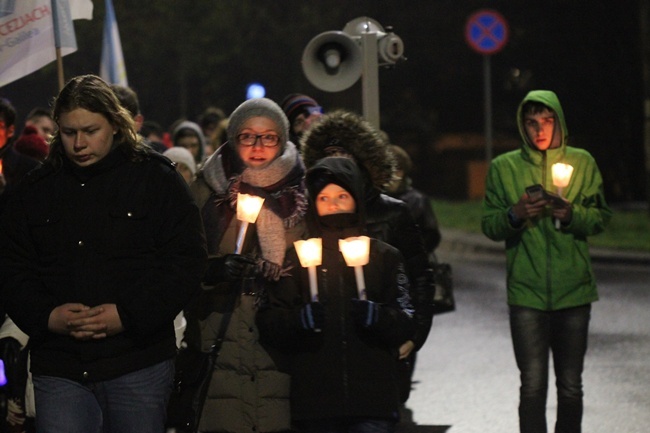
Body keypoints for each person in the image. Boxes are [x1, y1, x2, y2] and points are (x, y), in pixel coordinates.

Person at [0, 74, 208, 433]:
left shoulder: (156, 180)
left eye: (90, 130)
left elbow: (185, 262)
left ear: (115, 124)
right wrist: (48, 316)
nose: (79, 143)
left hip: (136, 362)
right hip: (59, 363)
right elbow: (12, 268)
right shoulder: (35, 190)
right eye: (68, 132)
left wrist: (127, 315)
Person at [481, 90, 612, 433]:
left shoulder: (582, 162)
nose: (540, 129)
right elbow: (490, 225)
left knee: (570, 387)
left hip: (574, 292)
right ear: (522, 126)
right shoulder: (503, 167)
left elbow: (600, 217)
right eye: (531, 122)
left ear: (559, 123)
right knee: (533, 387)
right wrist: (516, 213)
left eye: (547, 121)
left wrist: (571, 214)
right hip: (527, 294)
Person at [257, 156, 415, 433]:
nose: (333, 205)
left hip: (373, 401)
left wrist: (379, 317)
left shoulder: (385, 257)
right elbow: (269, 320)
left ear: (357, 198)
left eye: (342, 195)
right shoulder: (297, 258)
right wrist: (298, 320)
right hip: (316, 404)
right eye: (324, 198)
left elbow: (405, 319)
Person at [183, 97, 307, 433]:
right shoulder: (205, 191)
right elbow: (180, 260)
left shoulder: (303, 194)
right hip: (218, 331)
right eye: (247, 136)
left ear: (283, 141)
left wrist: (286, 278)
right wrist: (213, 270)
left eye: (269, 137)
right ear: (233, 137)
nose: (257, 146)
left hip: (277, 339)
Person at [300, 110, 435, 406]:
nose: (335, 162)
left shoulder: (393, 212)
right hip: (328, 349)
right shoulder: (310, 215)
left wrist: (414, 336)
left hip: (383, 342)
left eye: (343, 154)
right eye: (328, 154)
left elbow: (420, 278)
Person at [385, 144, 441, 260]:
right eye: (389, 170)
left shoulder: (417, 200)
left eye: (398, 170)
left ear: (404, 172)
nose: (394, 176)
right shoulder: (376, 197)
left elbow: (431, 234)